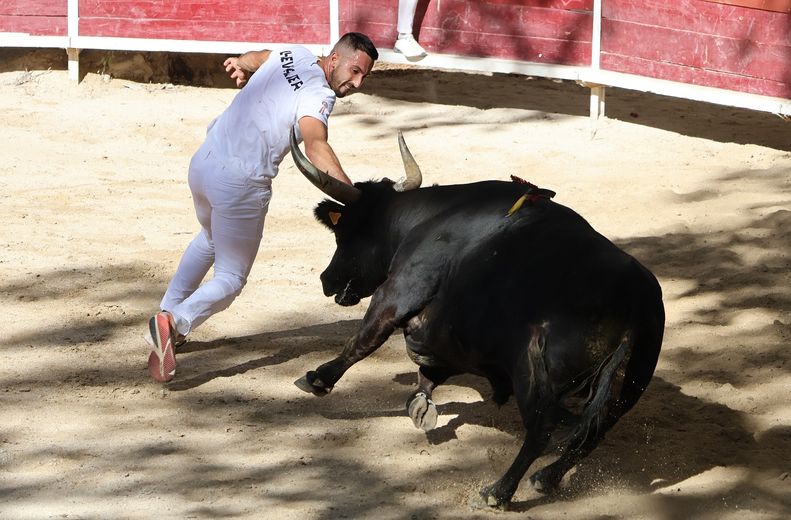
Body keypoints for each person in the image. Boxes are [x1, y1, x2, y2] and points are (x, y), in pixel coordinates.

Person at [145, 32, 378, 383]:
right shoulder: (319, 94)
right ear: (334, 59)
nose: (357, 82)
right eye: (355, 70)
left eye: (364, 76)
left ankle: (167, 314)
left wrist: (240, 63)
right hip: (239, 182)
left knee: (209, 238)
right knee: (231, 277)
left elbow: (257, 56)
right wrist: (356, 199)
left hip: (205, 161)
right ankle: (173, 322)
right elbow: (316, 146)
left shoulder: (293, 52)